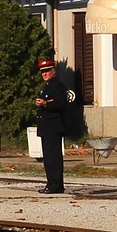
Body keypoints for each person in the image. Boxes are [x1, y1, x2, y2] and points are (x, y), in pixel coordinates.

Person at [33, 58, 76, 194]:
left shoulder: (57, 86)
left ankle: (56, 185)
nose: (44, 74)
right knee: (48, 158)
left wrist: (45, 104)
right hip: (47, 128)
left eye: (47, 71)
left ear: (53, 72)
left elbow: (61, 104)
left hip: (54, 127)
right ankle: (51, 183)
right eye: (43, 72)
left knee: (54, 158)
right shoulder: (48, 86)